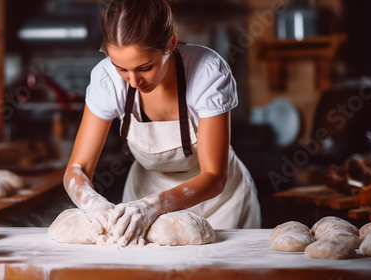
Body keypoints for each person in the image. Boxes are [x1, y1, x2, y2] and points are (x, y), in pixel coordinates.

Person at [63, 0, 261, 247]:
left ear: (171, 44)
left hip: (217, 203)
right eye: (121, 68)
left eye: (145, 67)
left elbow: (214, 176)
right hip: (142, 196)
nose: (134, 81)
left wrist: (153, 206)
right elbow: (77, 169)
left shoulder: (207, 72)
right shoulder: (106, 80)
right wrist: (94, 204)